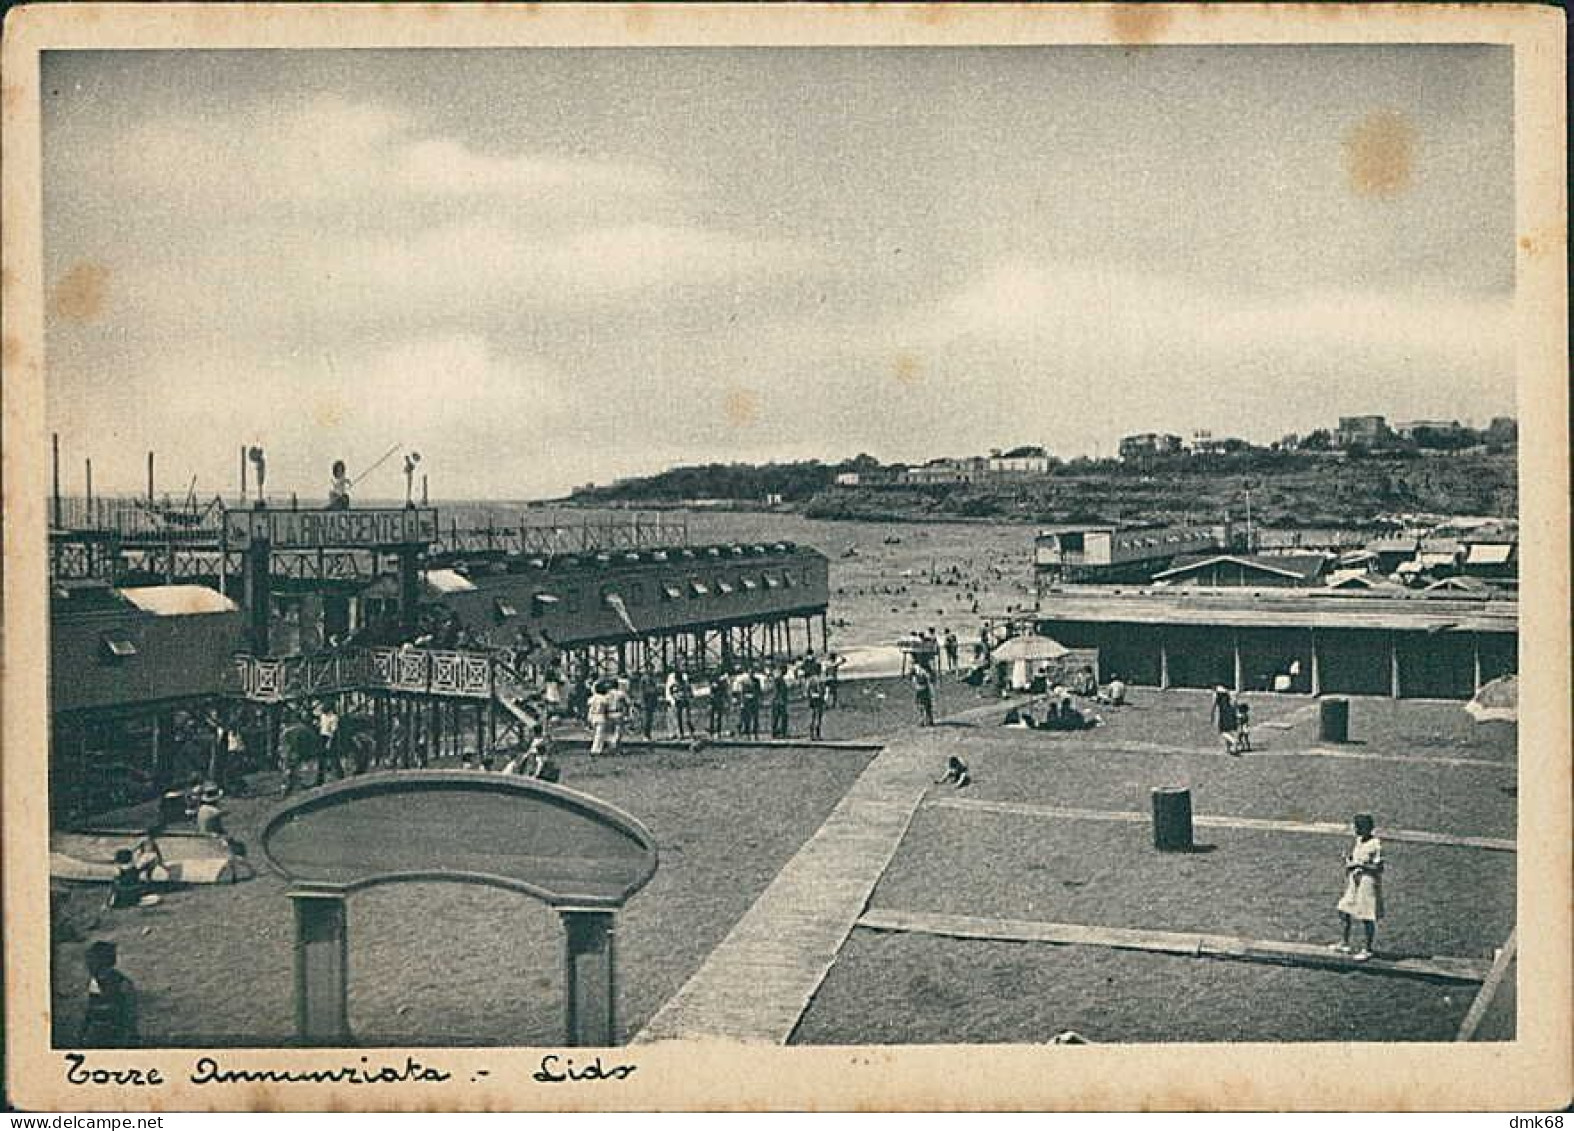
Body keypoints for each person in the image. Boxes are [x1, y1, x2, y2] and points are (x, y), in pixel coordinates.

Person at [1332, 814, 1384, 961]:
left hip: (1368, 883)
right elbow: (1356, 861)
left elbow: (1379, 868)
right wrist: (1349, 861)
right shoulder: (1359, 840)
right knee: (1344, 909)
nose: (1354, 829)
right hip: (1355, 881)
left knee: (1367, 916)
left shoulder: (1376, 844)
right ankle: (1345, 943)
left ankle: (1367, 949)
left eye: (1357, 827)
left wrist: (1359, 865)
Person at [79, 941, 138, 1047]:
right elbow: (90, 1008)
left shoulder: (121, 983)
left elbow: (129, 1013)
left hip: (117, 1031)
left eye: (92, 962)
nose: (88, 966)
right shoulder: (94, 981)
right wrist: (84, 1032)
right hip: (98, 1031)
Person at [314, 702, 343, 785]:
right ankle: (320, 779)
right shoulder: (323, 716)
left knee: (334, 757)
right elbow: (321, 725)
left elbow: (333, 731)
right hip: (322, 736)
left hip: (331, 737)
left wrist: (329, 743)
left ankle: (340, 775)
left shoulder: (334, 717)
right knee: (321, 758)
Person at [1211, 686, 1239, 754]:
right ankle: (1228, 749)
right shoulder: (1228, 692)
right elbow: (1235, 702)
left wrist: (1212, 715)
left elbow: (1213, 706)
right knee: (1228, 730)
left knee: (1222, 732)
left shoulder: (1216, 694)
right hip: (1231, 712)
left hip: (1224, 713)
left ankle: (1233, 741)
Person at [587, 681, 611, 756]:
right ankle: (595, 750)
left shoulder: (592, 698)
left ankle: (598, 749)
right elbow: (606, 707)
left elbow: (589, 706)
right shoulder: (603, 698)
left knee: (595, 734)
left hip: (592, 716)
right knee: (599, 734)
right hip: (600, 716)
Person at [669, 671, 694, 738]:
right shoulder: (674, 685)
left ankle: (691, 731)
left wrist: (689, 696)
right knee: (678, 719)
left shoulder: (686, 683)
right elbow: (671, 692)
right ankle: (680, 733)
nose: (678, 681)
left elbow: (691, 692)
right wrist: (675, 697)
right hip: (678, 702)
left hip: (685, 702)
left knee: (687, 719)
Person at [640, 673, 662, 742]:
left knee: (650, 720)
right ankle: (645, 735)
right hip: (645, 702)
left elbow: (655, 690)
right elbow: (644, 691)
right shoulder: (644, 679)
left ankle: (648, 735)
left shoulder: (653, 679)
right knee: (646, 719)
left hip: (651, 702)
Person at [769, 667, 791, 738]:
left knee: (778, 717)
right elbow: (778, 692)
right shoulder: (778, 680)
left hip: (778, 700)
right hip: (778, 701)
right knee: (780, 717)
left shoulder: (779, 680)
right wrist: (781, 700)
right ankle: (778, 732)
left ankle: (777, 732)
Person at [708, 671, 732, 736]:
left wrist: (726, 701)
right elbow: (711, 692)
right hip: (714, 700)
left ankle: (718, 731)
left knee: (719, 716)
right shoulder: (714, 683)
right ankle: (712, 730)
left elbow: (725, 692)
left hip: (719, 700)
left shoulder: (723, 684)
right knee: (712, 716)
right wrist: (710, 702)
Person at [805, 671, 827, 740]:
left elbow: (807, 691)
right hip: (818, 700)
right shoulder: (820, 680)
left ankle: (811, 735)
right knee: (818, 718)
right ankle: (817, 735)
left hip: (812, 700)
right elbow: (822, 690)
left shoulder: (810, 680)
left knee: (812, 717)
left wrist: (810, 698)